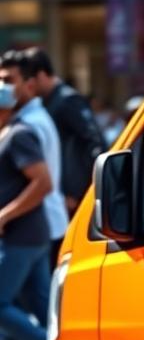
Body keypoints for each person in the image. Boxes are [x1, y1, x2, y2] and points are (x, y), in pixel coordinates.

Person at [0, 66, 54, 340]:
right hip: (28, 237)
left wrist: (7, 213)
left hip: (22, 236)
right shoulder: (8, 134)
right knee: (43, 308)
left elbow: (43, 182)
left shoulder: (19, 135)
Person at [1, 50, 68, 268]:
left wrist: (4, 215)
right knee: (41, 301)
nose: (3, 88)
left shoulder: (29, 126)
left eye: (9, 80)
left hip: (35, 225)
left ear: (29, 84)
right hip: (38, 227)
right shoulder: (24, 120)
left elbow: (42, 182)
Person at [24, 47, 104, 215]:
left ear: (41, 75)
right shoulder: (47, 102)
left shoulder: (67, 100)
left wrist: (77, 191)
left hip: (72, 197)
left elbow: (94, 143)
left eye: (30, 80)